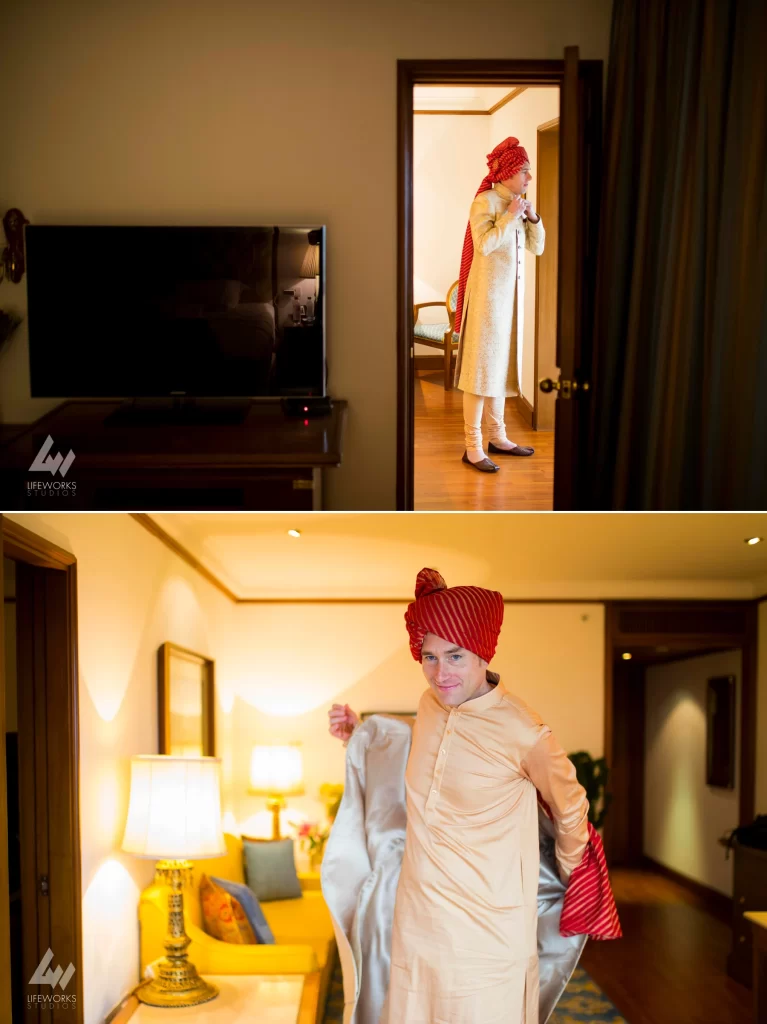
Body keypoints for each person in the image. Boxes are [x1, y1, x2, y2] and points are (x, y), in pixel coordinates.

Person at [323, 568, 621, 1024]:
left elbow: (572, 807)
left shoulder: (525, 730)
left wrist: (563, 876)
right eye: (429, 657)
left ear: (482, 653)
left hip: (489, 934)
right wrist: (359, 735)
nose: (441, 673)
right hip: (419, 920)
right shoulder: (428, 706)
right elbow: (413, 749)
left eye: (455, 656)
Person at [453, 137, 545, 473]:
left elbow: (539, 248)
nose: (528, 178)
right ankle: (472, 446)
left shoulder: (519, 203)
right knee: (481, 372)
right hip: (487, 302)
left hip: (509, 302)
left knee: (500, 369)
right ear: (507, 172)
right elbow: (485, 246)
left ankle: (498, 437)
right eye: (524, 171)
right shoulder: (486, 202)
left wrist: (532, 218)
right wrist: (508, 217)